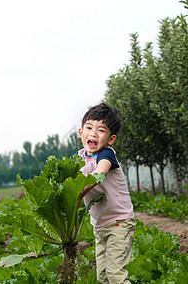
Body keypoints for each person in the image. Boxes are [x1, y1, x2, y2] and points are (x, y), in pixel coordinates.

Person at [77, 103, 135, 284]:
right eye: (89, 128)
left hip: (119, 222)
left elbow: (99, 174)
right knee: (103, 277)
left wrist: (77, 193)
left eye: (101, 130)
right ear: (81, 132)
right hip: (99, 226)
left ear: (111, 139)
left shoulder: (106, 155)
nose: (93, 133)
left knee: (115, 275)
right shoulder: (80, 158)